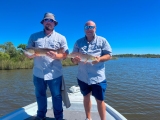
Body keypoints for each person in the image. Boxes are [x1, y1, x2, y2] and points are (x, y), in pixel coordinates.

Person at [25, 12, 69, 120]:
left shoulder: (61, 38)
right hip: (38, 73)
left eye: (51, 21)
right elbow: (27, 51)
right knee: (40, 96)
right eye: (46, 20)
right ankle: (41, 116)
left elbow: (65, 55)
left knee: (57, 97)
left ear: (54, 24)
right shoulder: (34, 36)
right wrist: (29, 55)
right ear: (43, 22)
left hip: (55, 74)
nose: (49, 22)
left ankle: (59, 117)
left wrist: (57, 56)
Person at [71, 20, 112, 120]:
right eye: (86, 27)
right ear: (84, 29)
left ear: (95, 28)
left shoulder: (102, 40)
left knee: (100, 100)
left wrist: (100, 59)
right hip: (82, 76)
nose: (89, 29)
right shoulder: (78, 42)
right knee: (86, 97)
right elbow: (73, 59)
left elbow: (109, 55)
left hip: (98, 77)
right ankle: (88, 118)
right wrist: (74, 60)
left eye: (91, 27)